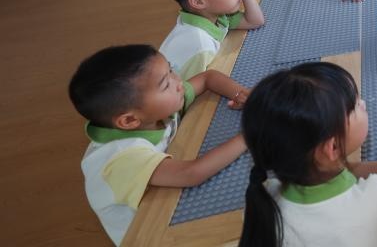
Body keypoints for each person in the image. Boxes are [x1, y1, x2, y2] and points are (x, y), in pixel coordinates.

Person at [69, 44, 248, 245]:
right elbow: (191, 174)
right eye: (165, 85)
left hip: (169, 195)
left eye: (170, 70)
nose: (178, 82)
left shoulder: (152, 111)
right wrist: (249, 135)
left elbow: (208, 78)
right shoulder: (121, 157)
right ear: (129, 120)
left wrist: (243, 95)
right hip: (148, 233)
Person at [239, 62, 377, 247]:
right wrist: (346, 166)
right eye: (355, 105)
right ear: (332, 147)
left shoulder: (260, 202)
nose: (363, 104)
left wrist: (333, 164)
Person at [160, 0, 265, 80]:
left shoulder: (215, 16)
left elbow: (255, 21)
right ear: (198, 2)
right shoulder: (200, 46)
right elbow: (188, 88)